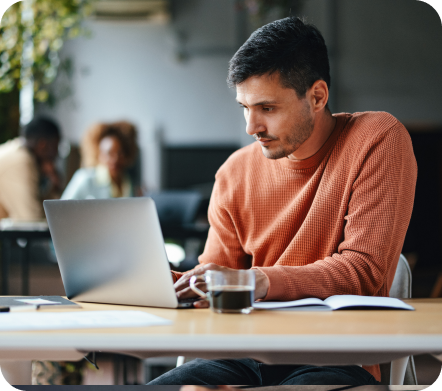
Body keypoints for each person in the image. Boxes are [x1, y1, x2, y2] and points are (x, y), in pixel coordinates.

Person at [149, 16, 417, 386]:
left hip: (332, 359)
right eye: (244, 107)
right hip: (239, 358)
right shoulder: (234, 172)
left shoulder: (376, 140)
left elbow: (363, 272)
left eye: (267, 108)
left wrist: (255, 281)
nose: (250, 127)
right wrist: (170, 284)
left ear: (317, 96)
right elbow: (214, 284)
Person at [0, 115, 61, 220]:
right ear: (43, 145)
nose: (57, 154)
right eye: (56, 146)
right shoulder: (21, 161)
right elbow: (31, 220)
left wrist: (52, 186)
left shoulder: (18, 151)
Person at [61, 121, 139, 200]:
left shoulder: (128, 180)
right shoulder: (84, 178)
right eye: (109, 153)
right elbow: (61, 209)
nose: (115, 159)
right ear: (99, 155)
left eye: (120, 153)